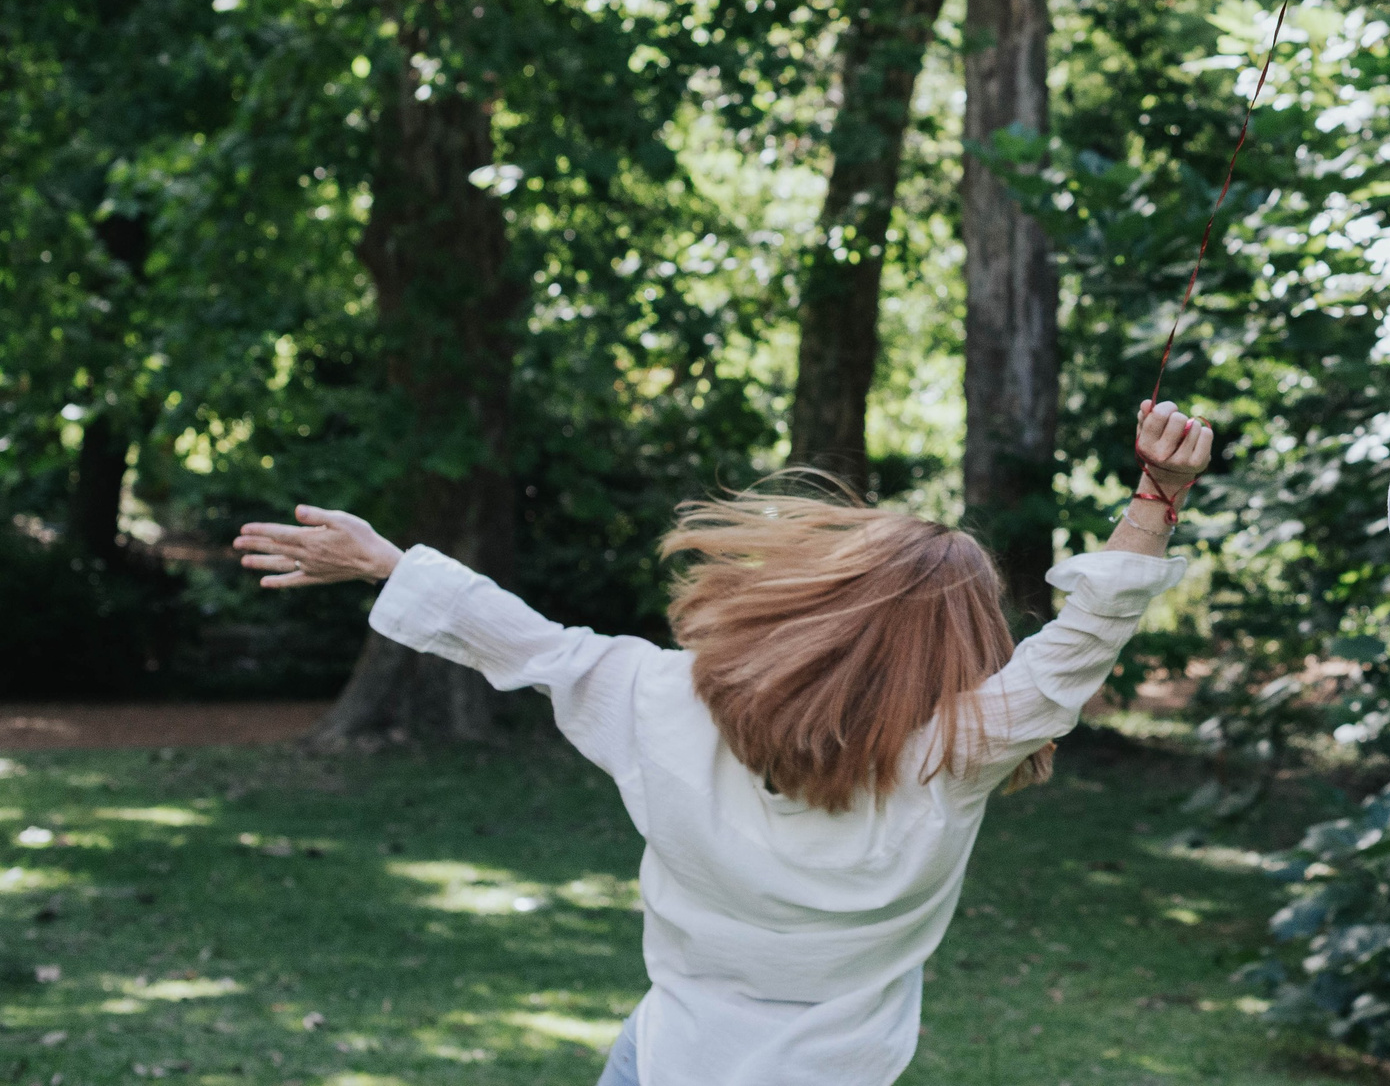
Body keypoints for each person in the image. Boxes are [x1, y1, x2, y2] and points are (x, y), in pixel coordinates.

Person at [231, 400, 1217, 1086]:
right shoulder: (954, 754)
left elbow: (527, 640)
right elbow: (1072, 654)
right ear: (959, 649)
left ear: (821, 604)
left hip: (664, 1061)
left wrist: (386, 561)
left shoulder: (662, 699)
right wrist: (1154, 498)